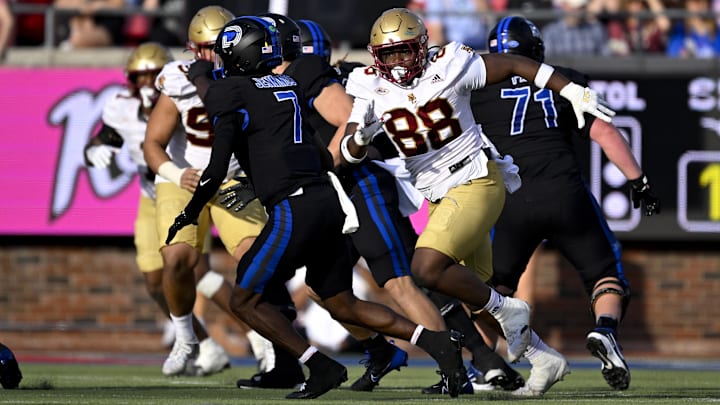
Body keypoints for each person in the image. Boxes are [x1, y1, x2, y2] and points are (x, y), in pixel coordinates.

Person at [168, 15, 469, 399]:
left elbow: (213, 167)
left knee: (243, 298)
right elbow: (297, 147)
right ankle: (439, 344)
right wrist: (256, 182)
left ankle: (320, 365)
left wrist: (190, 211)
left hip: (295, 207)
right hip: (326, 199)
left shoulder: (232, 91)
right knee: (340, 302)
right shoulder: (287, 83)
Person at [341, 7, 616, 369]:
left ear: (421, 47)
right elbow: (347, 150)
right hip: (437, 194)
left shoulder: (451, 64)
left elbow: (516, 64)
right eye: (388, 54)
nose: (396, 62)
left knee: (425, 269)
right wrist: (360, 137)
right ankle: (543, 358)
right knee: (474, 296)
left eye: (403, 51)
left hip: (475, 179)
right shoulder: (368, 85)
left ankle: (511, 310)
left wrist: (571, 90)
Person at [294, 16, 526, 395]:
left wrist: (338, 156)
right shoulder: (343, 78)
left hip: (364, 188)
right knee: (324, 288)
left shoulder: (319, 76)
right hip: (337, 196)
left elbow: (348, 129)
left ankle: (471, 364)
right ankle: (384, 351)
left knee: (409, 281)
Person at [472, 15, 661, 394]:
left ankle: (486, 365)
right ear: (536, 51)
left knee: (492, 291)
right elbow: (605, 131)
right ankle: (605, 330)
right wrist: (638, 182)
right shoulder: (565, 79)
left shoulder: (476, 90)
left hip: (510, 199)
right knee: (605, 273)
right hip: (565, 194)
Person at [141, 6, 284, 380]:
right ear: (192, 48)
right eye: (204, 48)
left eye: (219, 46)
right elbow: (153, 144)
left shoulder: (257, 75)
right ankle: (186, 336)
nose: (212, 55)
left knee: (255, 259)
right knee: (176, 260)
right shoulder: (178, 80)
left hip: (233, 179)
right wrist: (177, 172)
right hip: (185, 179)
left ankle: (267, 339)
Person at [83, 42, 231, 377]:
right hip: (152, 197)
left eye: (154, 75)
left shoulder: (183, 95)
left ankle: (258, 337)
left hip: (188, 191)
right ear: (130, 80)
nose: (148, 83)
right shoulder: (121, 106)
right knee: (154, 283)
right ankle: (204, 344)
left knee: (196, 271)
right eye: (141, 76)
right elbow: (101, 140)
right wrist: (93, 152)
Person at [541, 0, 609, 56]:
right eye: (577, 7)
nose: (580, 10)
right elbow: (549, 60)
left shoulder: (596, 29)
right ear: (564, 6)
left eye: (583, 7)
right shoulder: (551, 32)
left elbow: (605, 57)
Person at [53, 0, 126, 48]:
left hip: (104, 24)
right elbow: (58, 4)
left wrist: (96, 6)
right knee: (79, 20)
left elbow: (119, 4)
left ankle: (72, 43)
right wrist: (81, 6)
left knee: (79, 37)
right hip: (74, 24)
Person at [422, 0, 490, 50]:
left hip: (479, 46)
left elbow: (488, 18)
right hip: (453, 48)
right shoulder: (436, 2)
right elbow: (437, 33)